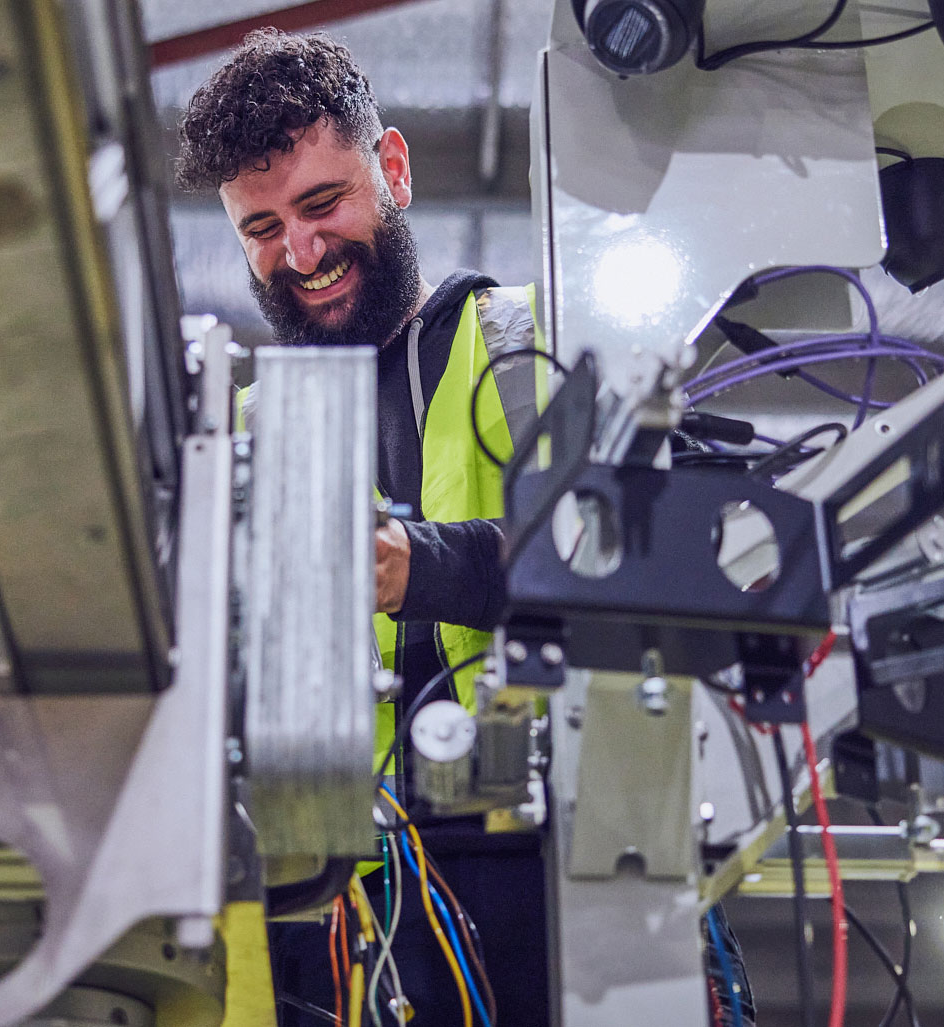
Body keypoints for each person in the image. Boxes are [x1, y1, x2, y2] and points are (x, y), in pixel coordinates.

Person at [175, 27, 753, 1027]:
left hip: (555, 873)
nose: (299, 253)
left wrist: (421, 566)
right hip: (333, 906)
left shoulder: (537, 342)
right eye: (260, 227)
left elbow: (673, 542)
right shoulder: (242, 434)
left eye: (322, 203)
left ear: (393, 170)